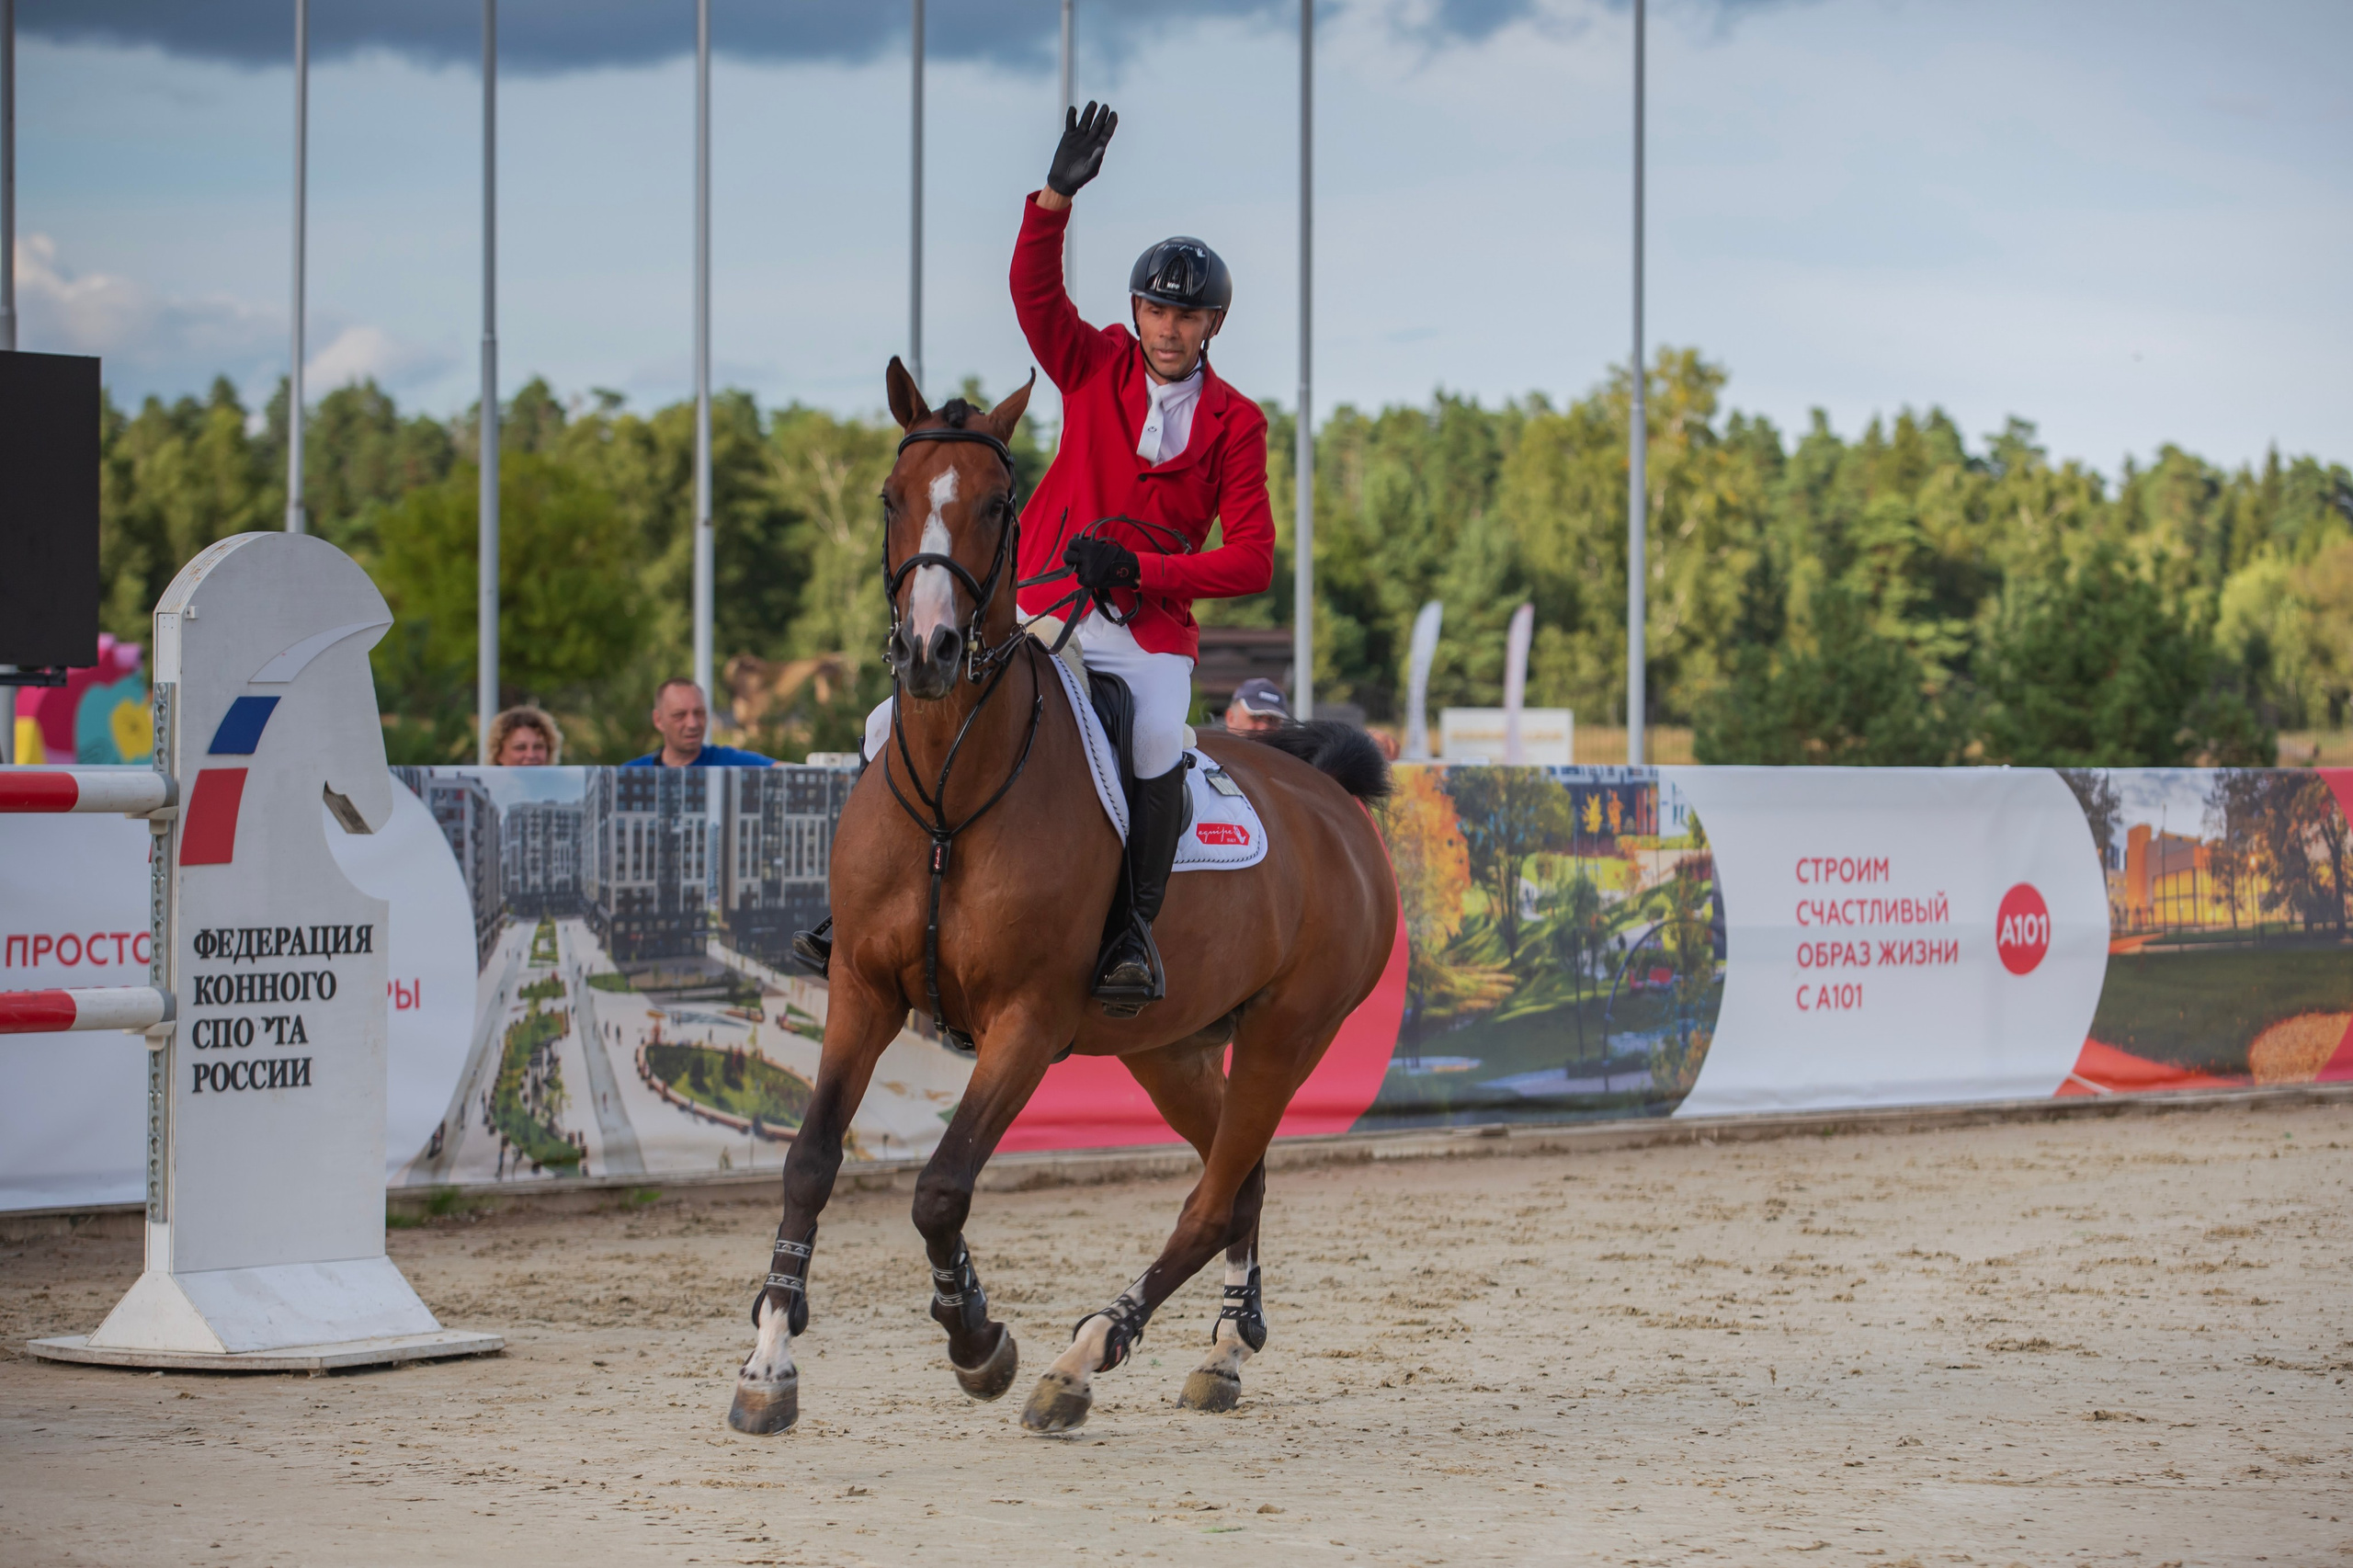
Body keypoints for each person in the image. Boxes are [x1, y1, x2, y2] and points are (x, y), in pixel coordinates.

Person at [625, 678, 774, 768]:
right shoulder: (631, 775)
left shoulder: (729, 762)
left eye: (699, 713)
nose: (692, 723)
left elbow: (790, 774)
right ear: (658, 720)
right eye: (680, 715)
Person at [486, 705, 564, 766]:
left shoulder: (564, 785)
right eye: (520, 747)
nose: (531, 755)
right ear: (498, 754)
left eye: (538, 746)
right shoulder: (484, 785)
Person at [1222, 677, 1290, 736]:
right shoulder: (1212, 749)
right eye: (1257, 717)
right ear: (1231, 718)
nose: (1265, 727)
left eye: (1272, 720)